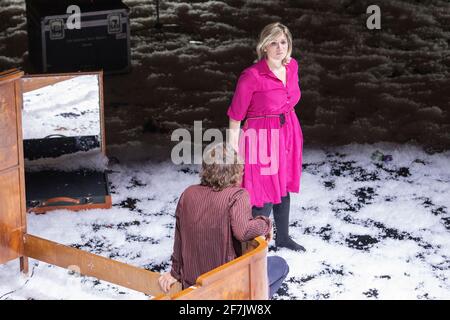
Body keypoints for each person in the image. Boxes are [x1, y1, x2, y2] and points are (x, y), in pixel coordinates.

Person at [159, 143, 289, 299]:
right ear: (235, 171)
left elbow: (179, 237)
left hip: (193, 284)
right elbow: (244, 231)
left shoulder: (188, 194)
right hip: (226, 287)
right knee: (280, 265)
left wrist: (175, 272)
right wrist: (267, 224)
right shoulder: (237, 195)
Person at [227, 22, 306, 252]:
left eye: (283, 42)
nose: (279, 47)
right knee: (263, 195)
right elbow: (235, 117)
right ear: (264, 46)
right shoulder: (251, 76)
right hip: (261, 138)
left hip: (288, 132)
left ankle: (284, 238)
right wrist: (234, 155)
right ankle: (252, 250)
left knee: (283, 186)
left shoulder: (292, 68)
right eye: (273, 42)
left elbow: (290, 101)